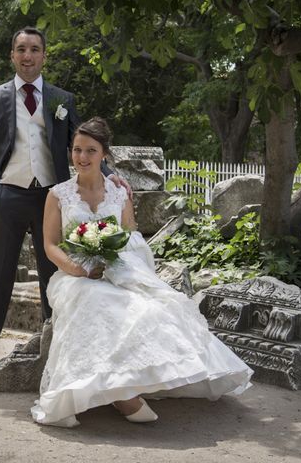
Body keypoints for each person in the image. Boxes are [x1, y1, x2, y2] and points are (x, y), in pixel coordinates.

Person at [31, 117, 253, 427]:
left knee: (145, 308)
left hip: (117, 270)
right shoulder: (58, 195)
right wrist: (77, 268)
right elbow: (50, 244)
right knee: (92, 301)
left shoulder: (120, 192)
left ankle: (126, 384)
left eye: (90, 151)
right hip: (72, 276)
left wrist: (116, 265)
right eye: (77, 150)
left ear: (104, 155)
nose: (81, 158)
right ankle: (123, 397)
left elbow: (131, 239)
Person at [0, 28, 127, 389]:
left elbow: (84, 144)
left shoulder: (60, 98)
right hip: (7, 196)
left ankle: (56, 357)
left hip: (51, 199)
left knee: (54, 278)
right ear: (12, 55)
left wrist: (111, 175)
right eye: (21, 49)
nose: (28, 55)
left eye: (34, 49)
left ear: (44, 56)